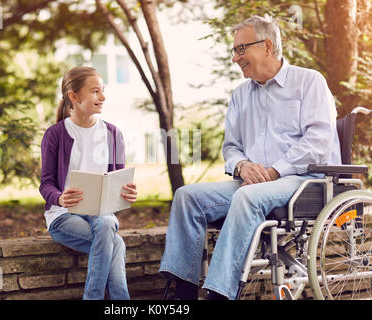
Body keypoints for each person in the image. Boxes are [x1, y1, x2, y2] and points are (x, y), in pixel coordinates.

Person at [159, 15, 341, 300]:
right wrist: (242, 165)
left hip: (303, 181)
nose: (235, 58)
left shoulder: (308, 82)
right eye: (234, 50)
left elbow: (317, 143)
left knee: (247, 198)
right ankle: (182, 293)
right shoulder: (240, 94)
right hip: (253, 182)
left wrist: (272, 171)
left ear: (268, 46)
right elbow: (231, 147)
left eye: (241, 49)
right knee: (186, 197)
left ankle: (219, 294)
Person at [39, 66, 137, 300]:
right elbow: (46, 184)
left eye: (102, 91)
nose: (102, 97)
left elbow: (116, 181)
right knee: (116, 244)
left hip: (101, 214)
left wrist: (126, 193)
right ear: (74, 96)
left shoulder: (113, 134)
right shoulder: (55, 134)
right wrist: (60, 197)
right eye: (95, 91)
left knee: (105, 224)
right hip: (63, 216)